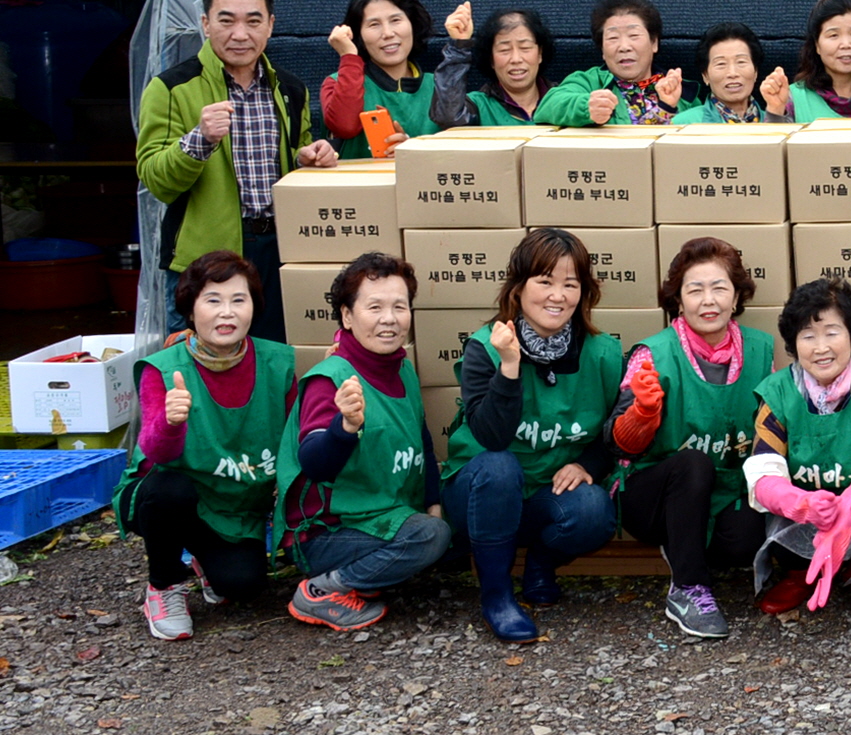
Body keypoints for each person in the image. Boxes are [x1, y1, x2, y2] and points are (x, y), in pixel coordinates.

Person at [440, 229, 625, 642]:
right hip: (480, 492)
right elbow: (492, 436)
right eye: (545, 281)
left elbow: (614, 435)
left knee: (594, 511)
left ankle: (540, 564)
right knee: (500, 467)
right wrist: (509, 367)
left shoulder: (603, 353)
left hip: (545, 497)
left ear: (585, 292)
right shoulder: (484, 348)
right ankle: (497, 594)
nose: (557, 295)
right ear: (519, 287)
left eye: (570, 284)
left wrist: (586, 463)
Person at [136, 0, 339, 341]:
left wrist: (307, 157)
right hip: (204, 257)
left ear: (271, 25)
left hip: (278, 250)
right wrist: (199, 139)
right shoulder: (170, 87)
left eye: (253, 21)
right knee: (200, 371)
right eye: (226, 21)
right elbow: (155, 179)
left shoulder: (290, 88)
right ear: (205, 23)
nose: (240, 34)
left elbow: (293, 155)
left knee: (274, 359)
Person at [114, 252, 295, 640]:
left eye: (238, 300)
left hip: (235, 504)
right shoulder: (164, 368)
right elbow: (158, 454)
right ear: (190, 308)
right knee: (168, 490)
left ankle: (204, 559)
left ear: (254, 307)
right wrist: (170, 422)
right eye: (213, 300)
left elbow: (296, 442)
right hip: (172, 493)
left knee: (243, 587)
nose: (226, 312)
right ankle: (163, 586)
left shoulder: (278, 363)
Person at [606, 237, 777, 638]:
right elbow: (617, 444)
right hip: (651, 495)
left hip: (724, 491)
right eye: (694, 290)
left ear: (736, 297)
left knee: (749, 540)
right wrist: (642, 414)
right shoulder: (652, 354)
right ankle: (687, 587)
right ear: (678, 302)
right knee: (693, 464)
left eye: (719, 287)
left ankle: (682, 545)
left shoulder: (761, 350)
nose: (708, 300)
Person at [273, 252, 450, 632]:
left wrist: (433, 501)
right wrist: (346, 427)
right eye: (375, 307)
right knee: (431, 536)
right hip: (328, 531)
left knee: (451, 520)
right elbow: (315, 463)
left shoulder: (402, 368)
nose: (390, 319)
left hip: (379, 515)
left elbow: (422, 440)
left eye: (399, 307)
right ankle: (323, 590)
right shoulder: (331, 378)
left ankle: (366, 576)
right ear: (347, 316)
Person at [741, 277, 851, 617]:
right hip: (806, 516)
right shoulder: (776, 393)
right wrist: (800, 503)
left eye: (832, 332)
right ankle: (797, 573)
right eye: (808, 335)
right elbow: (764, 468)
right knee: (762, 511)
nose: (820, 347)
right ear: (794, 343)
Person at [322, 0, 448, 157]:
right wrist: (349, 57)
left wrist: (411, 151)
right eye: (374, 24)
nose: (388, 33)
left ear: (412, 24)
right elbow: (345, 127)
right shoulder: (337, 82)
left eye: (396, 20)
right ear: (358, 34)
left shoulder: (440, 86)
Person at [532, 0, 684, 125]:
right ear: (602, 50)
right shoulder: (588, 82)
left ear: (654, 43)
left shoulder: (680, 91)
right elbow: (547, 107)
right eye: (613, 38)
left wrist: (667, 107)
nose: (624, 46)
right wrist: (586, 107)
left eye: (634, 36)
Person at [430, 6, 555, 126]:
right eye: (504, 50)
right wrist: (459, 47)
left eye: (525, 48)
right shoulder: (478, 105)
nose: (516, 59)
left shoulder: (563, 99)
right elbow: (449, 118)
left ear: (540, 54)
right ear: (491, 59)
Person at [672, 22, 793, 123]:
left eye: (741, 62)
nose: (732, 73)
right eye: (721, 64)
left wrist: (775, 113)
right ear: (705, 76)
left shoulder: (778, 119)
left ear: (755, 71)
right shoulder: (684, 124)